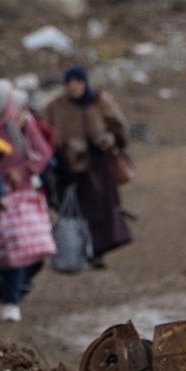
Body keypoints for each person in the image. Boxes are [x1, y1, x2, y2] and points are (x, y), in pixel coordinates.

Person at [0, 79, 54, 321]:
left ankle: (12, 301)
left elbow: (43, 153)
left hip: (14, 195)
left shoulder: (19, 123)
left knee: (14, 249)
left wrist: (21, 171)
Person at [44, 66, 132, 270]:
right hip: (67, 167)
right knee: (73, 211)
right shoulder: (56, 107)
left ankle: (97, 251)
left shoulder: (99, 101)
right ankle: (77, 251)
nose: (73, 87)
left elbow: (118, 127)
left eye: (77, 82)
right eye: (69, 83)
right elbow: (46, 132)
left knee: (100, 210)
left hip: (97, 166)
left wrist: (109, 139)